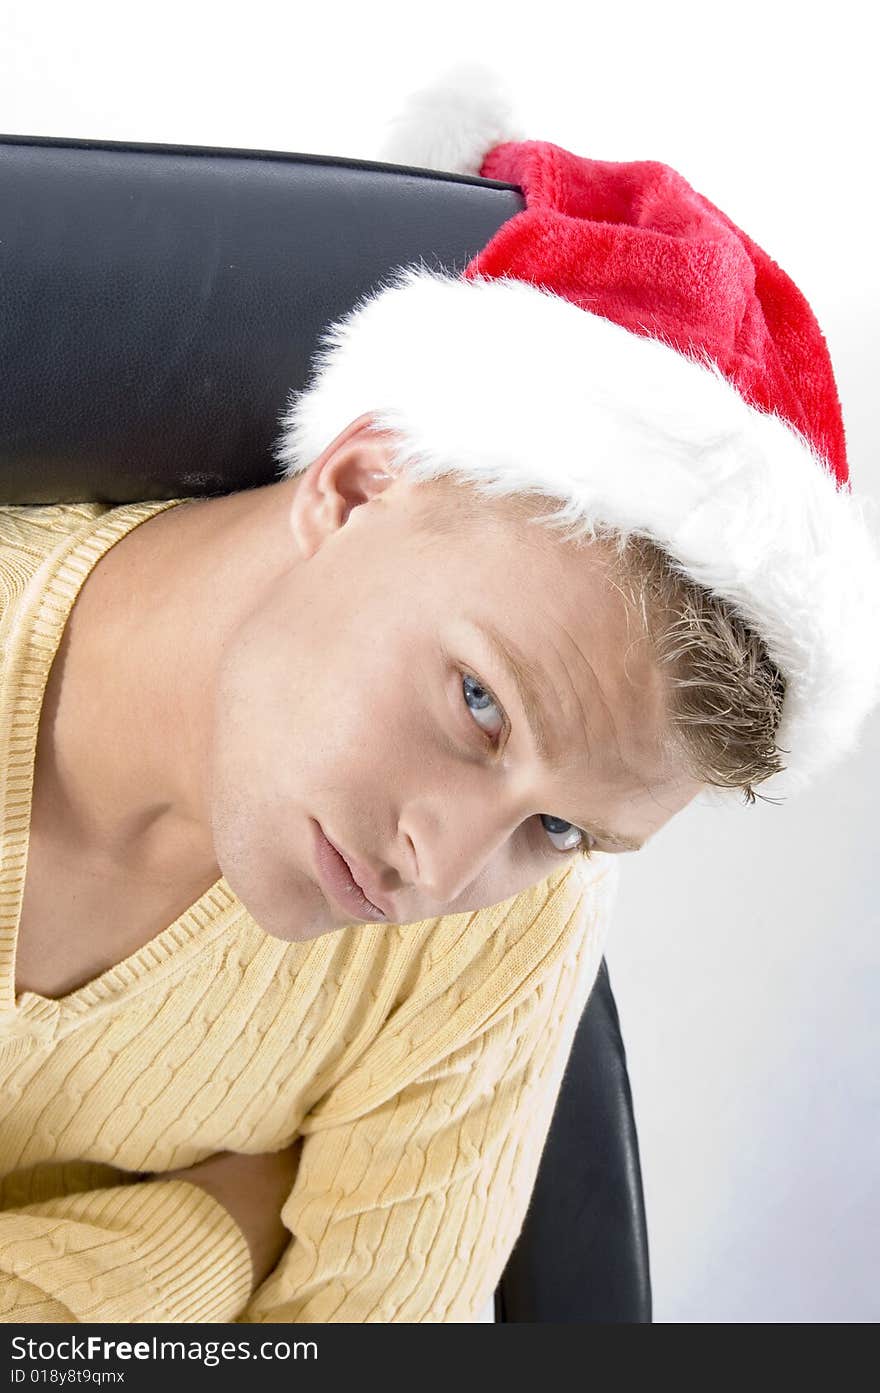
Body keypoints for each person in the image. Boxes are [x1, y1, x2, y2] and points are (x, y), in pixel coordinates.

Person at [1, 64, 877, 1323]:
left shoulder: (505, 927)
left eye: (559, 829)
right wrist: (205, 1237)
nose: (444, 872)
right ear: (357, 484)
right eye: (479, 705)